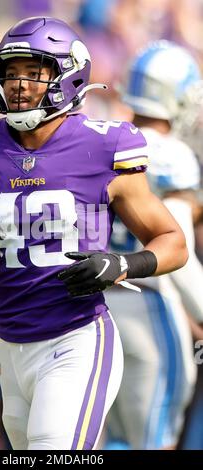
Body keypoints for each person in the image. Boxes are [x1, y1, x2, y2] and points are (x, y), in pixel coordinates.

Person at [0, 18, 188, 451]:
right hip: (9, 346)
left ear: (69, 75)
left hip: (77, 337)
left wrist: (123, 265)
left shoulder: (104, 146)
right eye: (10, 73)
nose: (18, 84)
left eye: (33, 72)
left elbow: (173, 241)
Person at [104, 40, 203, 450]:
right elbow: (176, 254)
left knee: (98, 441)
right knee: (154, 440)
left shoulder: (104, 138)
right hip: (146, 302)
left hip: (91, 307)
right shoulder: (171, 154)